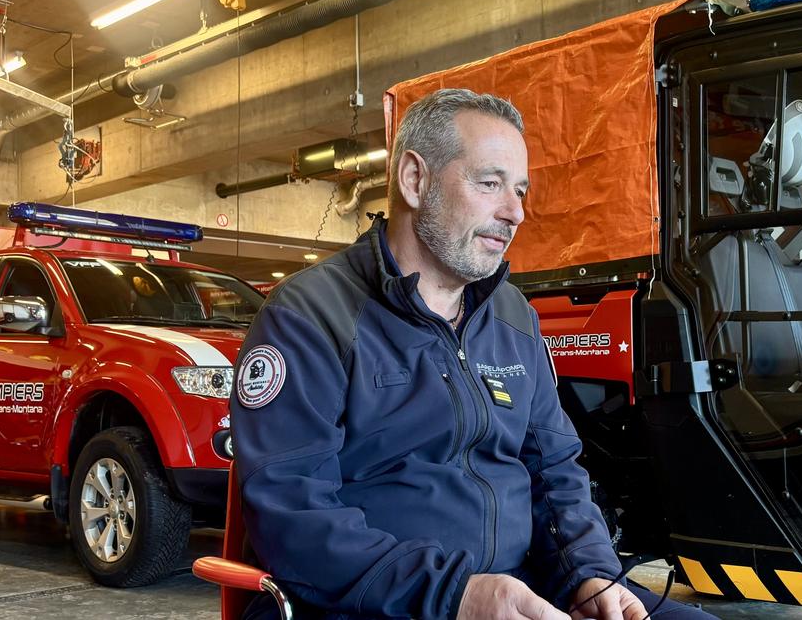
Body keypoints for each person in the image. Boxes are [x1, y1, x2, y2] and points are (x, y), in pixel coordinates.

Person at [231, 88, 715, 620]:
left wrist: (590, 574)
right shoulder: (309, 316)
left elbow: (554, 467)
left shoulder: (512, 316)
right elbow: (292, 516)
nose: (515, 213)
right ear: (415, 181)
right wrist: (457, 595)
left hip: (517, 591)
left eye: (520, 191)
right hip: (368, 603)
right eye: (490, 184)